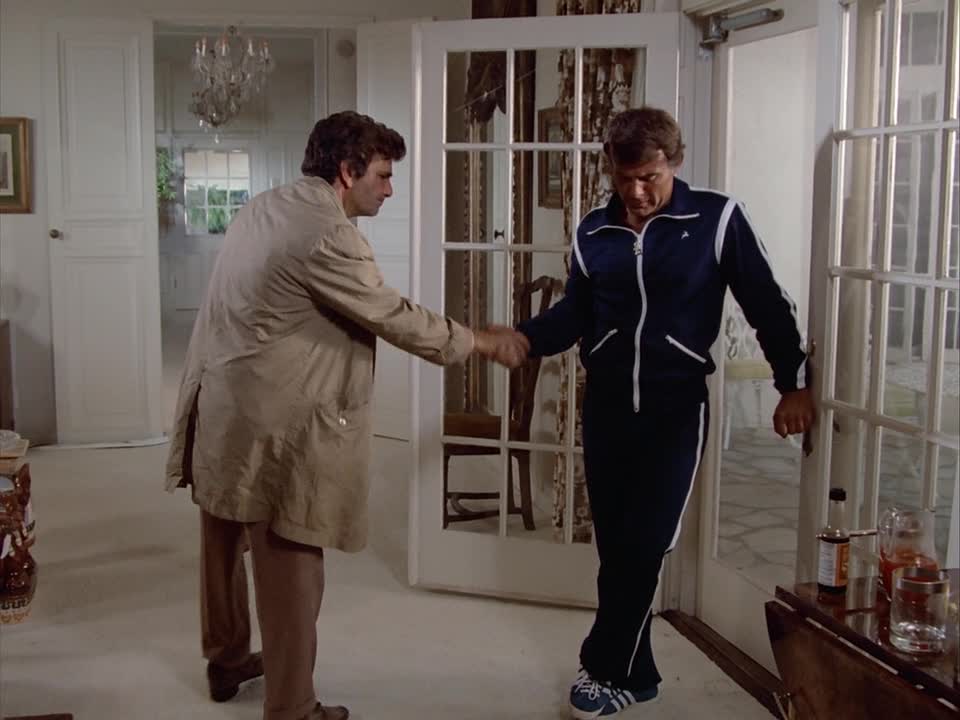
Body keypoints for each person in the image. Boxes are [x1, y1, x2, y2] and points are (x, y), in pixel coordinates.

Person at [164, 111, 529, 720]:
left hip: (223, 405)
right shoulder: (327, 234)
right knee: (292, 566)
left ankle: (226, 660)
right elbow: (393, 315)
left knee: (223, 543)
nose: (389, 189)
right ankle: (292, 708)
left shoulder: (265, 206)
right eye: (383, 175)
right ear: (346, 170)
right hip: (273, 421)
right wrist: (482, 342)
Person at [517, 107, 815, 719]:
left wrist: (792, 383)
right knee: (617, 548)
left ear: (673, 163)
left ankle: (601, 668)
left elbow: (766, 302)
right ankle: (640, 676)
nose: (636, 192)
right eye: (625, 178)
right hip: (605, 408)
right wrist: (523, 338)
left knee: (647, 544)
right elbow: (576, 314)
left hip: (675, 408)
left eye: (649, 177)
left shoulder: (716, 219)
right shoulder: (594, 231)